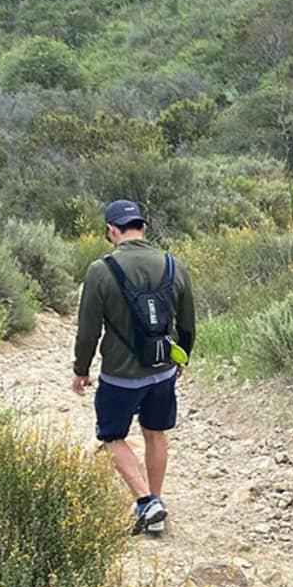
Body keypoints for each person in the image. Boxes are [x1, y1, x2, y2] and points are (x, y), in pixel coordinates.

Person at [71, 199, 196, 536]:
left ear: (112, 230)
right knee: (155, 433)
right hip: (163, 369)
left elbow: (88, 330)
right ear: (144, 227)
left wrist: (80, 369)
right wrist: (180, 357)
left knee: (112, 436)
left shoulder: (101, 270)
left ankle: (146, 502)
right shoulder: (173, 265)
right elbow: (187, 325)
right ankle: (155, 502)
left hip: (120, 375)